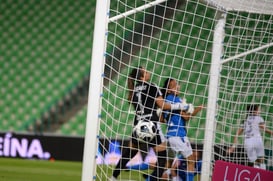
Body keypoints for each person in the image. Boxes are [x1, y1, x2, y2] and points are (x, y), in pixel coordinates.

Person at [110, 67, 192, 181]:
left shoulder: (134, 90)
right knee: (162, 160)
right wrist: (182, 106)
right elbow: (163, 105)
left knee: (130, 153)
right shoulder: (152, 86)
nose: (149, 72)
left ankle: (113, 177)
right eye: (146, 71)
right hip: (151, 126)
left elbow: (136, 103)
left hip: (138, 126)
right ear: (142, 77)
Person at [161, 78, 204, 181]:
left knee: (168, 165)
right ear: (169, 89)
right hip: (178, 135)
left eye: (178, 84)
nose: (178, 86)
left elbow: (162, 118)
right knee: (191, 160)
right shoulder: (175, 100)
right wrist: (197, 109)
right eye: (175, 85)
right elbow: (187, 117)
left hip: (169, 136)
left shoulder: (167, 100)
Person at [227, 104, 273, 169]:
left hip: (248, 142)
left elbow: (237, 133)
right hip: (257, 139)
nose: (259, 111)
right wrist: (271, 133)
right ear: (254, 111)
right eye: (258, 110)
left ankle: (256, 172)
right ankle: (262, 175)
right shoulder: (259, 118)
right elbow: (264, 128)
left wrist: (233, 146)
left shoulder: (245, 121)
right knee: (261, 159)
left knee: (254, 161)